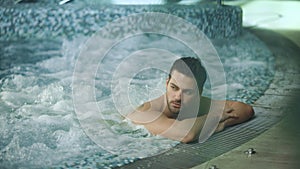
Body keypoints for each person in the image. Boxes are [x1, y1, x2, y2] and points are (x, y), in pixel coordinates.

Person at [127, 57, 254, 143]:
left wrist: (217, 123)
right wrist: (214, 119)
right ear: (167, 83)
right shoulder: (147, 112)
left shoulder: (197, 104)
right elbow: (186, 135)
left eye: (187, 92)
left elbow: (245, 110)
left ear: (199, 93)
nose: (177, 97)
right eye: (174, 87)